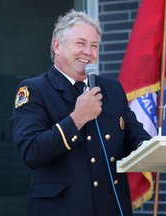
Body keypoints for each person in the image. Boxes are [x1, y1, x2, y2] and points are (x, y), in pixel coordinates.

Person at [10, 9, 151, 216]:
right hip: (60, 209)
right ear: (57, 46)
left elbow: (135, 136)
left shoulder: (112, 89)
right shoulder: (34, 90)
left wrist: (157, 147)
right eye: (81, 43)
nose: (88, 51)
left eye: (94, 46)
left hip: (111, 207)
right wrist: (77, 118)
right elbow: (31, 151)